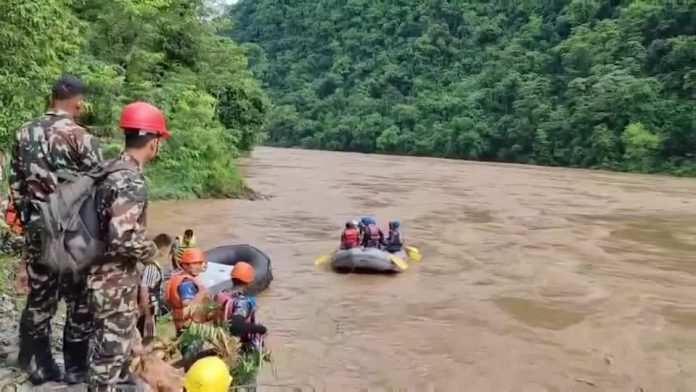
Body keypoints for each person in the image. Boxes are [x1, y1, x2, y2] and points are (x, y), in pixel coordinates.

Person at [10, 75, 103, 385]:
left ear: (51, 98)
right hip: (75, 235)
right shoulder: (82, 137)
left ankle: (38, 364)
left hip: (39, 228)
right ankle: (76, 368)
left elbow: (17, 187)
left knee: (40, 297)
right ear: (78, 103)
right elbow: (98, 187)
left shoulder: (23, 133)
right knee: (79, 298)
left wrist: (29, 228)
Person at [88, 101, 170, 389]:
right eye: (159, 139)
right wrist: (149, 251)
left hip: (97, 273)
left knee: (106, 348)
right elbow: (122, 237)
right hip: (113, 282)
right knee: (107, 360)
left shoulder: (109, 169)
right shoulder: (130, 180)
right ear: (153, 141)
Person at [214, 262, 267, 353]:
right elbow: (236, 326)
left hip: (220, 342)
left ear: (232, 278)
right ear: (249, 282)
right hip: (238, 346)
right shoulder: (242, 302)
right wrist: (260, 329)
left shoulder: (220, 295)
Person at [164, 248, 209, 337]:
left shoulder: (181, 277)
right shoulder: (186, 283)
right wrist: (201, 292)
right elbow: (187, 305)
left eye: (200, 263)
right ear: (185, 265)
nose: (198, 266)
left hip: (184, 326)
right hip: (188, 328)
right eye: (195, 263)